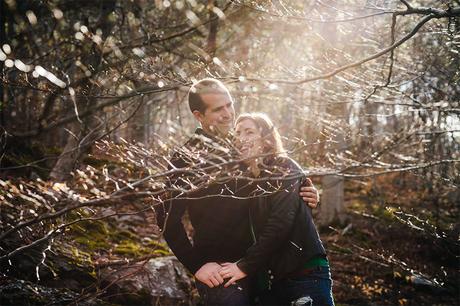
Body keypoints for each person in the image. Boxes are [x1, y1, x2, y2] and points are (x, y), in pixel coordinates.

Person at [156, 79, 320, 305]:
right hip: (222, 271)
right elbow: (166, 215)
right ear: (199, 115)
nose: (227, 114)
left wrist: (305, 194)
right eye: (217, 109)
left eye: (229, 105)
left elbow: (276, 188)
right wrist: (197, 265)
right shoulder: (187, 157)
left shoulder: (244, 145)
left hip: (266, 263)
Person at [219, 113, 334, 306]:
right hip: (270, 282)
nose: (241, 138)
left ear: (266, 140)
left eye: (249, 132)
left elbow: (281, 222)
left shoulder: (284, 168)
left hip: (304, 276)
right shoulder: (245, 179)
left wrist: (244, 266)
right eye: (237, 133)